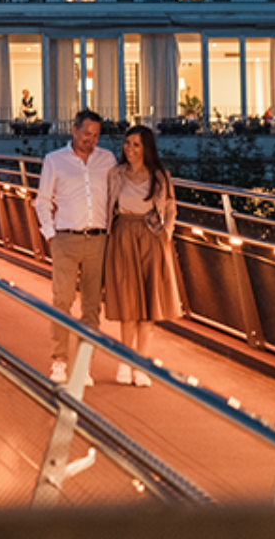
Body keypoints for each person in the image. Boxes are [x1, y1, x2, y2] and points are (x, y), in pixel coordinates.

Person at [33, 109, 116, 385]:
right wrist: (51, 234)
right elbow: (42, 200)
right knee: (62, 300)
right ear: (74, 130)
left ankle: (83, 365)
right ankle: (59, 361)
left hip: (98, 239)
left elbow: (117, 195)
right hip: (66, 238)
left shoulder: (107, 160)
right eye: (86, 134)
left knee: (92, 306)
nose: (90, 140)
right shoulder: (54, 160)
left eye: (96, 135)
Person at [104, 124, 184, 388]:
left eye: (136, 144)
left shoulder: (160, 176)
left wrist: (166, 234)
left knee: (148, 309)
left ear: (146, 148)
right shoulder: (116, 174)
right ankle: (124, 362)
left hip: (151, 237)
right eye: (127, 143)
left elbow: (171, 207)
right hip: (123, 236)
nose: (130, 149)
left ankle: (141, 364)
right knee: (128, 306)